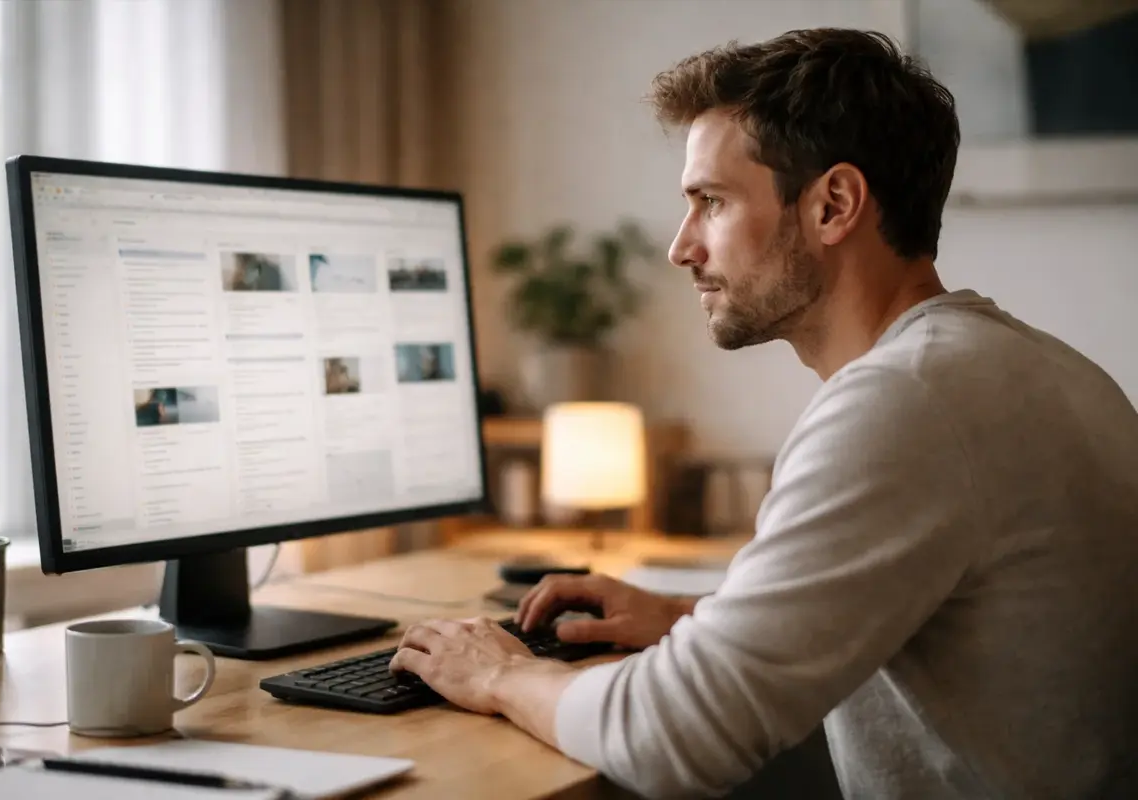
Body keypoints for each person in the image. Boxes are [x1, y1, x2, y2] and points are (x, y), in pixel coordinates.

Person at [387, 28, 1138, 799]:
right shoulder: (1037, 370)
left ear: (833, 204)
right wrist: (695, 620)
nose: (681, 248)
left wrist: (501, 674)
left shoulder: (905, 402)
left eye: (710, 202)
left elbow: (672, 737)